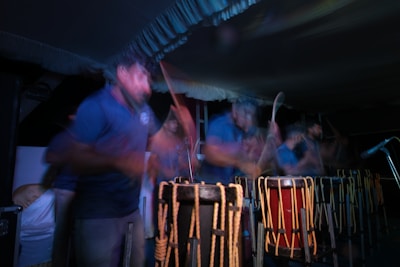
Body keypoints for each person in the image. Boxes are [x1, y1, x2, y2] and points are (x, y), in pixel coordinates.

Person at [46, 51, 159, 267]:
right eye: (141, 76)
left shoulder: (144, 109)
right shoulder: (96, 105)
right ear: (122, 73)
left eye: (149, 80)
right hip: (98, 213)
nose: (147, 87)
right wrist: (116, 161)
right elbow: (77, 160)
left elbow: (158, 139)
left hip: (131, 209)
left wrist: (177, 134)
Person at [200, 98, 279, 185]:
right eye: (246, 112)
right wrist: (240, 163)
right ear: (234, 108)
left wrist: (272, 137)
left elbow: (249, 157)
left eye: (252, 115)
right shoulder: (220, 124)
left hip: (228, 185)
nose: (249, 118)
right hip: (211, 185)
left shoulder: (240, 131)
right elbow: (209, 153)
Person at [44, 105, 78, 267]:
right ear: (72, 117)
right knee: (63, 233)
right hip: (65, 190)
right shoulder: (64, 137)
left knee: (79, 232)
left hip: (82, 192)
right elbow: (49, 157)